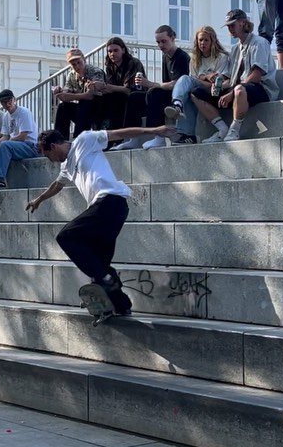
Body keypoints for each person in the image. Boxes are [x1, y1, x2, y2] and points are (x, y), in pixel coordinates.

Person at [26, 124, 176, 315]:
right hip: (110, 211)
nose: (52, 161)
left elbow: (117, 133)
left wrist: (154, 130)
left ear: (54, 146)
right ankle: (121, 306)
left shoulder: (85, 140)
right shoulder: (66, 166)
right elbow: (57, 185)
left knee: (66, 237)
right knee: (99, 263)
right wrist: (39, 200)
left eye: (48, 156)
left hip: (109, 201)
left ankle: (106, 278)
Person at [192, 9, 278, 143]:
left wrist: (231, 93)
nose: (230, 29)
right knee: (196, 93)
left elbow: (256, 75)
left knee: (238, 90)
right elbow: (229, 78)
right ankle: (222, 129)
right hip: (239, 88)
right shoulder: (235, 49)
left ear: (243, 23)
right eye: (228, 26)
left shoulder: (259, 43)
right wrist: (218, 84)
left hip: (262, 89)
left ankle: (235, 129)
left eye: (232, 25)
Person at [127, 25, 190, 150]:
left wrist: (150, 84)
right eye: (158, 42)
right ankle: (133, 138)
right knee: (134, 97)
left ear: (173, 38)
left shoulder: (182, 57)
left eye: (164, 41)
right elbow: (165, 83)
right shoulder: (165, 56)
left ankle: (159, 137)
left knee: (154, 92)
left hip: (178, 97)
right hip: (167, 94)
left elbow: (177, 84)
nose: (161, 45)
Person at [164, 26, 230, 144]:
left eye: (206, 40)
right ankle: (186, 135)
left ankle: (177, 104)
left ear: (213, 41)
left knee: (185, 79)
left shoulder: (221, 57)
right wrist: (206, 77)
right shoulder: (194, 60)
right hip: (198, 89)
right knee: (189, 92)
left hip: (216, 90)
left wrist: (203, 78)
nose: (202, 43)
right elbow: (194, 80)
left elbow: (219, 81)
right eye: (200, 40)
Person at [0, 89, 38, 190]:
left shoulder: (24, 112)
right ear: (1, 103)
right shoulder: (6, 116)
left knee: (5, 145)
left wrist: (3, 142)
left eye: (9, 100)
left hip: (29, 146)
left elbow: (23, 136)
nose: (7, 104)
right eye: (4, 102)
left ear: (14, 100)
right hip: (14, 146)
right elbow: (5, 136)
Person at [52, 48, 106, 140]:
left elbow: (90, 95)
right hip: (84, 111)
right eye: (73, 64)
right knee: (63, 107)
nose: (77, 66)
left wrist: (70, 96)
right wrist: (60, 91)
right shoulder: (71, 75)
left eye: (79, 62)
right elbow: (67, 91)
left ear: (84, 60)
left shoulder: (95, 71)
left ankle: (79, 138)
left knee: (84, 102)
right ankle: (60, 139)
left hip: (99, 108)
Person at [104, 38, 148, 149]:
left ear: (123, 50)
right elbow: (111, 88)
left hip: (139, 97)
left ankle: (121, 138)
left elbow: (129, 89)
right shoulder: (110, 66)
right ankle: (106, 137)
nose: (112, 54)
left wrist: (107, 87)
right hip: (120, 96)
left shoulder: (133, 63)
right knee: (102, 99)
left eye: (115, 50)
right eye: (110, 51)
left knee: (118, 98)